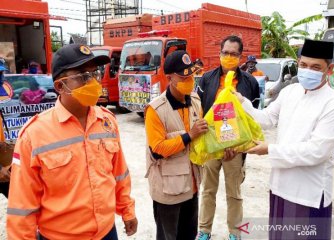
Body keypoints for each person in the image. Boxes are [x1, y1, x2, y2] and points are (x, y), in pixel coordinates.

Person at [7, 44, 138, 239]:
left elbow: (119, 173)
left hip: (107, 232)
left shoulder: (107, 121)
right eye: (83, 76)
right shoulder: (34, 135)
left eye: (95, 74)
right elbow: (22, 205)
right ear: (60, 86)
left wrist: (127, 210)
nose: (93, 82)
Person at [237, 39, 334, 240]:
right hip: (280, 185)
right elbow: (267, 119)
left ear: (329, 69)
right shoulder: (290, 92)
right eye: (303, 65)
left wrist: (270, 149)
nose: (308, 71)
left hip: (309, 192)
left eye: (316, 67)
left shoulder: (333, 105)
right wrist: (242, 102)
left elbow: (316, 151)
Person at [196, 35, 260, 240]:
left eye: (234, 54)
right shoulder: (207, 78)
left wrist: (241, 146)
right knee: (208, 191)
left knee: (234, 194)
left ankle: (235, 233)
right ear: (220, 53)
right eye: (226, 53)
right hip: (212, 145)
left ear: (241, 57)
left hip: (236, 148)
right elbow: (199, 110)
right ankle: (204, 231)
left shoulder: (249, 82)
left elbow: (253, 117)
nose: (229, 57)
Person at [145, 50, 208, 240]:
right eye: (183, 77)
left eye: (191, 75)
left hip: (192, 185)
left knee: (189, 235)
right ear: (169, 78)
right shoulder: (156, 110)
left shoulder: (196, 101)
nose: (189, 80)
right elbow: (157, 150)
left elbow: (203, 136)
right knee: (168, 236)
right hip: (168, 191)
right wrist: (189, 136)